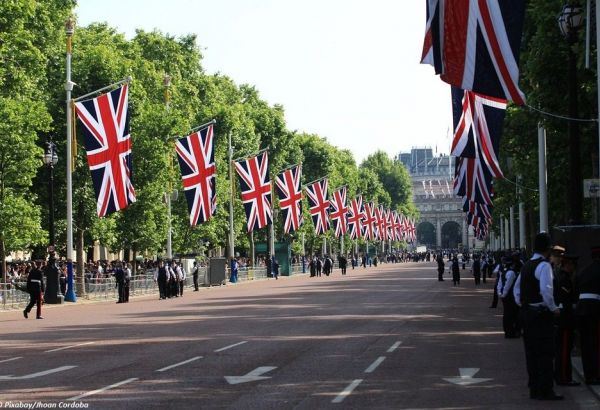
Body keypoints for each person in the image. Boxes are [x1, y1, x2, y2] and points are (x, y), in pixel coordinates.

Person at [514, 232, 562, 400]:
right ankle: (546, 389)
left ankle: (534, 388)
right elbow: (546, 291)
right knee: (546, 354)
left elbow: (516, 289)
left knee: (531, 353)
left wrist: (523, 304)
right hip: (541, 314)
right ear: (548, 249)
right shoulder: (544, 266)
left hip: (527, 314)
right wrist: (553, 308)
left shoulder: (526, 265)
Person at [574, 246, 600, 385]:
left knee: (585, 343)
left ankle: (589, 374)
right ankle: (596, 373)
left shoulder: (585, 271)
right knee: (595, 342)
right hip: (594, 309)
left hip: (581, 308)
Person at [553, 252, 579, 386]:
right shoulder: (564, 279)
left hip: (563, 318)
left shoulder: (562, 277)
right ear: (567, 264)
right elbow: (566, 301)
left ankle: (563, 375)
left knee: (564, 348)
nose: (574, 268)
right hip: (565, 319)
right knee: (563, 349)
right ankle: (563, 377)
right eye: (573, 265)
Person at [500, 254, 521, 338]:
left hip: (505, 296)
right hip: (510, 296)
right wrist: (504, 294)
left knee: (506, 314)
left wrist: (500, 294)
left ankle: (507, 331)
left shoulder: (504, 271)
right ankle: (510, 332)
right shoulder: (511, 273)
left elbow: (500, 283)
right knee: (511, 314)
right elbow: (508, 285)